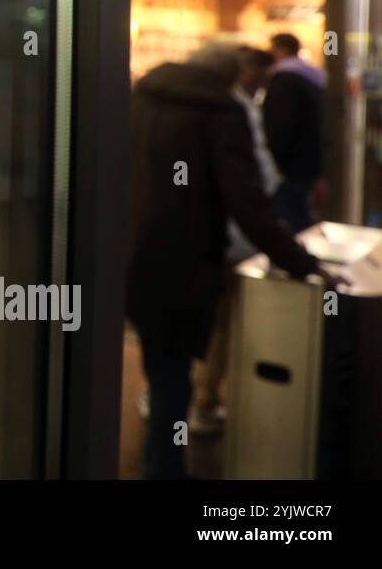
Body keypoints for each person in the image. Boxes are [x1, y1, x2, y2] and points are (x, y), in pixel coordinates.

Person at [129, 43, 330, 479]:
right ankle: (164, 468)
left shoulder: (140, 98)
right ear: (231, 78)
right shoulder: (221, 113)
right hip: (187, 260)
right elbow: (247, 202)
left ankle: (158, 462)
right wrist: (299, 260)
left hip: (135, 254)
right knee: (173, 379)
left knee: (160, 369)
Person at [191, 46, 278, 435]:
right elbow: (252, 182)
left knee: (180, 327)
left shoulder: (153, 103)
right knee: (221, 323)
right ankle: (204, 401)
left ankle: (175, 402)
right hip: (225, 238)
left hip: (175, 241)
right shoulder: (232, 111)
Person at [263, 33, 326, 234]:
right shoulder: (313, 76)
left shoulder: (284, 81)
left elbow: (281, 125)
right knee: (299, 210)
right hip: (309, 157)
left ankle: (301, 259)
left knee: (291, 215)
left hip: (291, 163)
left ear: (280, 49)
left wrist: (276, 159)